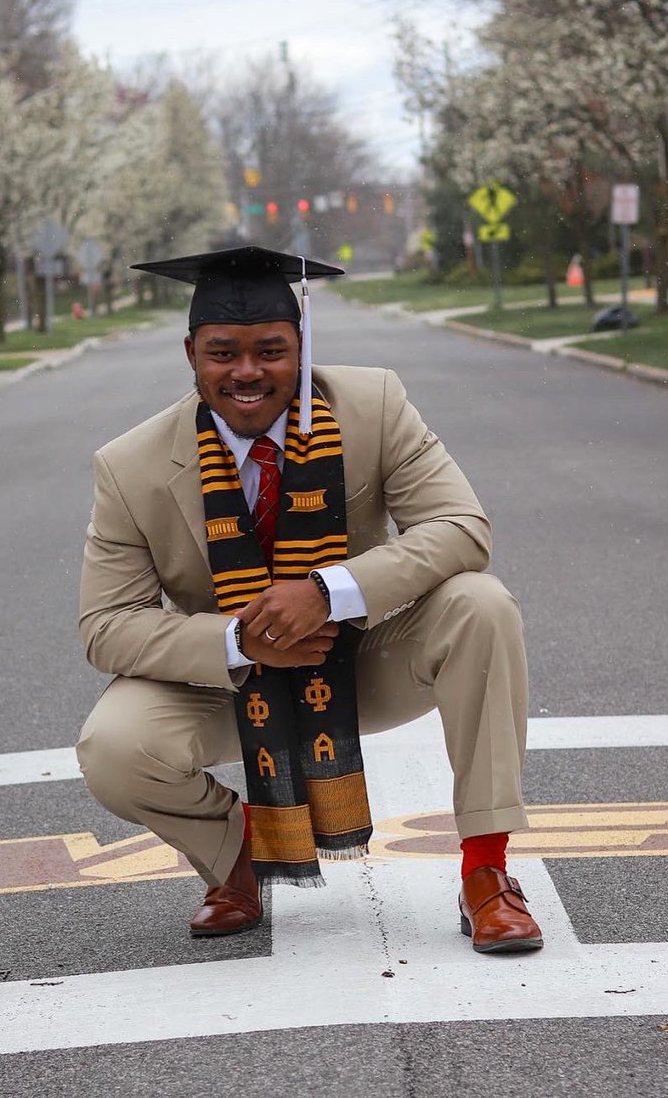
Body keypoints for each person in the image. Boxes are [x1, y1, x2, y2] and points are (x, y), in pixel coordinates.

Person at [76, 245, 542, 953]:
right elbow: (107, 626)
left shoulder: (373, 406)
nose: (247, 372)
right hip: (234, 683)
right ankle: (237, 856)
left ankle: (487, 872)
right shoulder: (129, 465)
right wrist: (239, 640)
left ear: (302, 348)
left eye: (271, 351)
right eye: (222, 353)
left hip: (361, 662)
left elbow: (461, 528)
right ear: (191, 354)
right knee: (113, 746)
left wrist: (329, 593)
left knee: (483, 605)